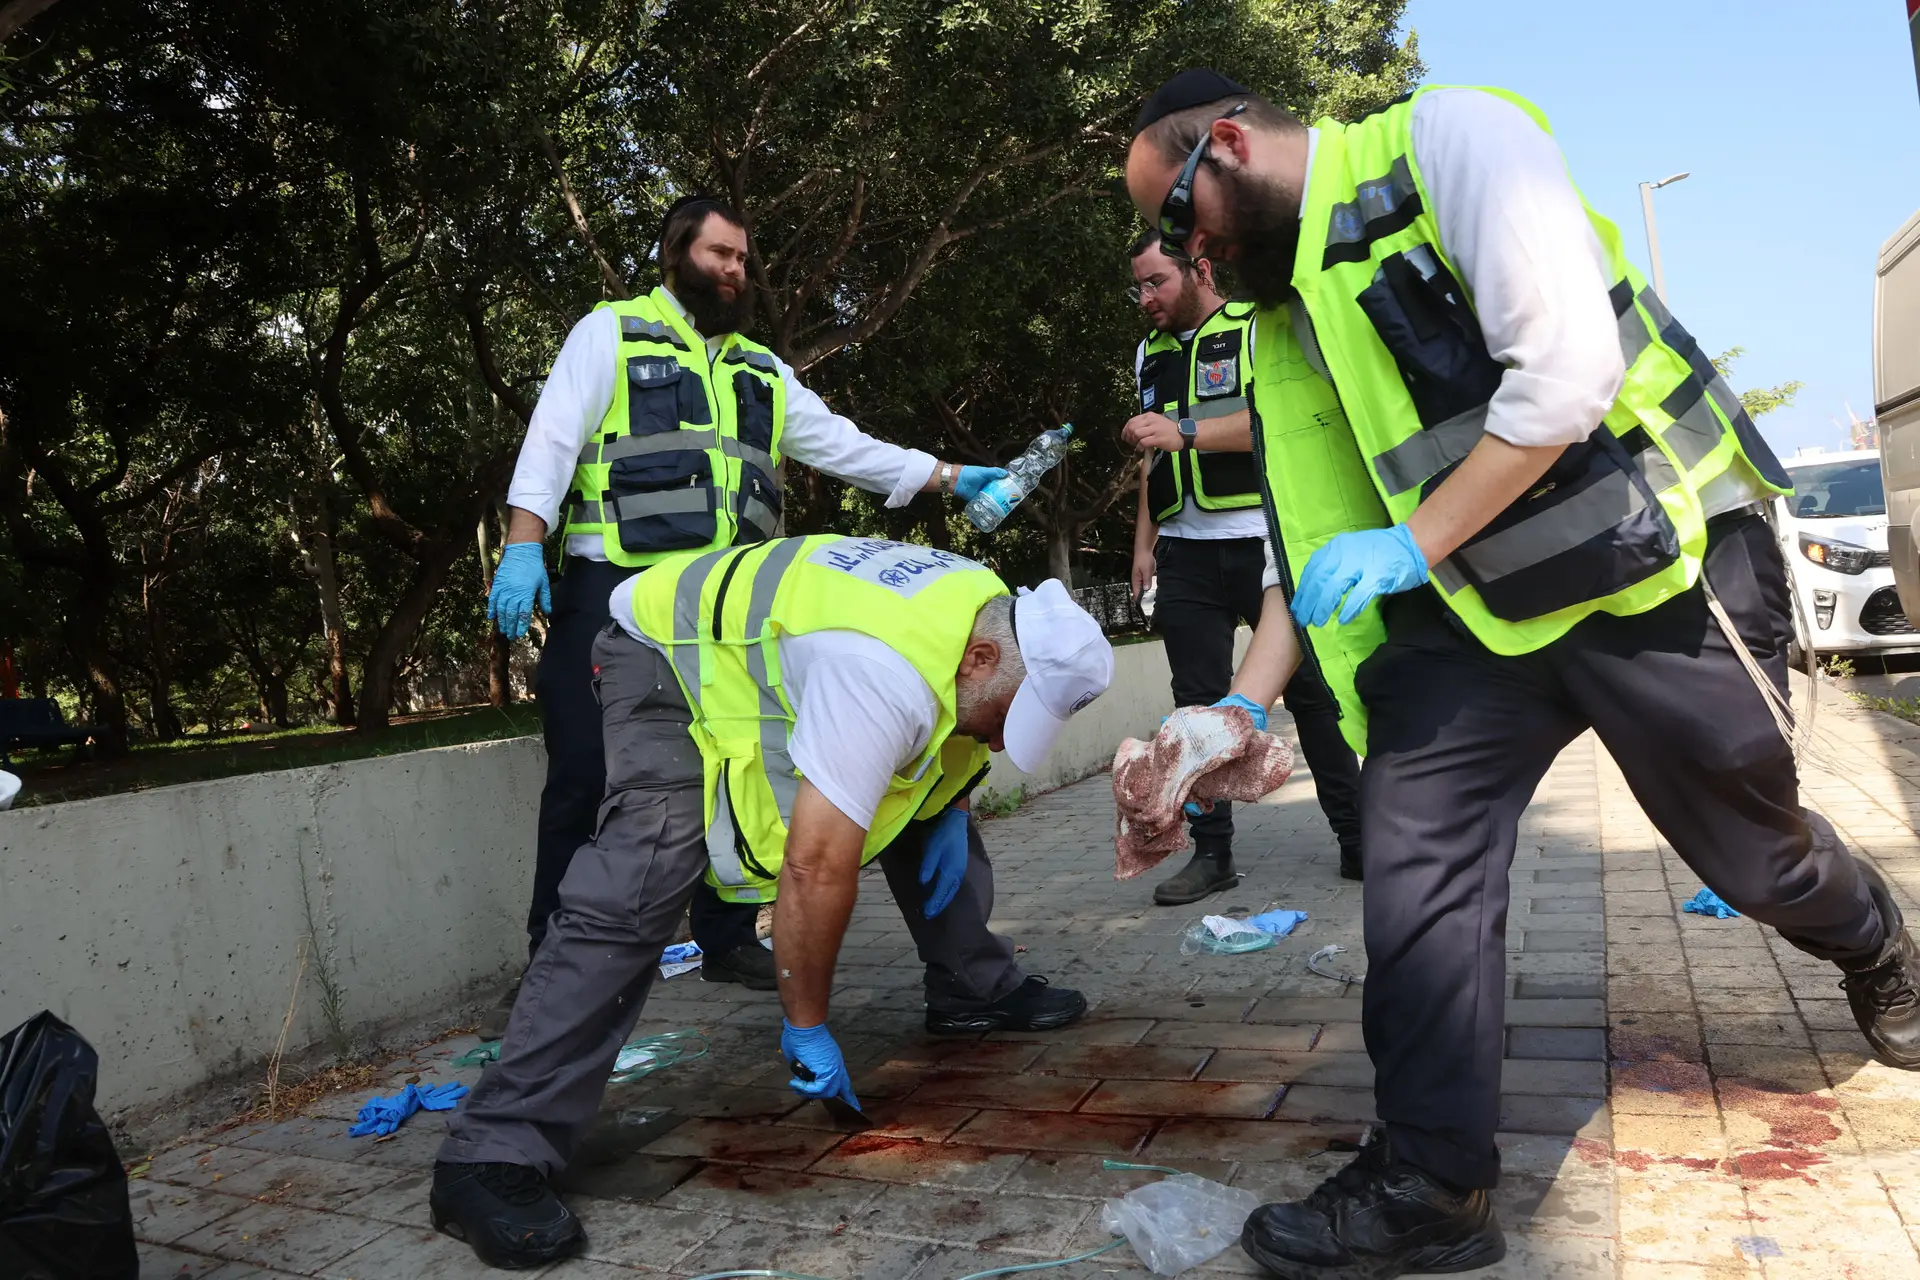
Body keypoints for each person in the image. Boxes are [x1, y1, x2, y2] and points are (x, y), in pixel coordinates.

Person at [1124, 69, 1920, 1278]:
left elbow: (1566, 374)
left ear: (1229, 148)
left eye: (1182, 219)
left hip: (1649, 561)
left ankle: (1871, 936)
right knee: (1415, 855)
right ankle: (1434, 1184)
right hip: (1473, 614)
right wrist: (1240, 701)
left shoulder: (1449, 143)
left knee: (1750, 850)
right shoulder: (1284, 320)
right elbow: (1326, 539)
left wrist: (1410, 544)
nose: (1186, 252)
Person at [433, 534, 1112, 1267]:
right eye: (1011, 716)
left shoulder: (984, 611)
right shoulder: (878, 673)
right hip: (669, 656)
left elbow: (956, 727)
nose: (1007, 743)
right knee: (640, 876)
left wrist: (948, 807)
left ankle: (970, 985)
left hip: (788, 649)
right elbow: (815, 869)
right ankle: (491, 1149)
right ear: (981, 659)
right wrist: (807, 1021)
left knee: (935, 781)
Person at [484, 196, 1008, 1029]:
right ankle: (548, 960)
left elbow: (846, 447)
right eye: (720, 254)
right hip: (614, 593)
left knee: (735, 763)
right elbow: (550, 439)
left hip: (719, 613)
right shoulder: (611, 332)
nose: (735, 271)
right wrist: (523, 543)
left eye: (741, 259)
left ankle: (725, 936)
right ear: (673, 255)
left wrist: (949, 476)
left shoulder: (762, 371)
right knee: (585, 774)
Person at [1119, 227, 1362, 900]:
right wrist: (1144, 541)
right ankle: (1212, 855)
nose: (1144, 298)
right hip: (1185, 552)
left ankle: (1359, 835)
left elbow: (1278, 421)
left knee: (1313, 697)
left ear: (1198, 269)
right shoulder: (1149, 352)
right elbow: (1153, 452)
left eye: (1155, 282)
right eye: (1138, 286)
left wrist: (1187, 431)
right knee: (1193, 708)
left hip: (1262, 538)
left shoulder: (1255, 327)